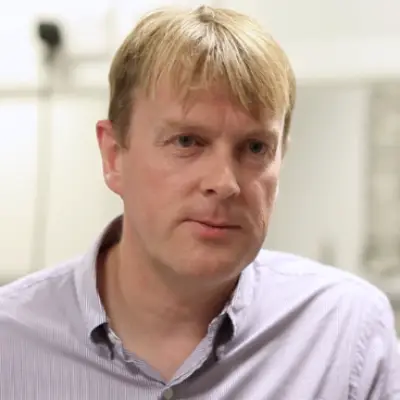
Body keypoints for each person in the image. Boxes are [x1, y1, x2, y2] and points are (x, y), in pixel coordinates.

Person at [0, 5, 399, 400]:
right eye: (187, 141)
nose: (224, 183)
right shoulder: (11, 341)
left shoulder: (346, 335)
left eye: (255, 147)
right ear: (113, 156)